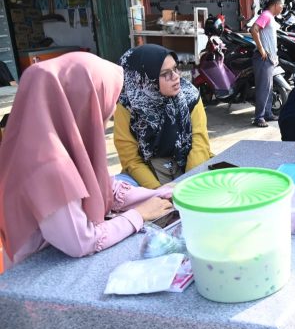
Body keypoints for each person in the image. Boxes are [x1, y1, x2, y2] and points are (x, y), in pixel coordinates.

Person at [0, 53, 174, 268]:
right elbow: (81, 241)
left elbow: (102, 187)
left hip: (56, 261)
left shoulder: (48, 139)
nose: (107, 116)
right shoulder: (46, 164)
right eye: (102, 104)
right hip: (38, 277)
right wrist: (138, 215)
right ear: (80, 103)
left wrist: (158, 194)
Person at [114, 44, 211, 189]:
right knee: (117, 188)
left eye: (175, 68)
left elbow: (199, 144)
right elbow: (131, 160)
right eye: (165, 73)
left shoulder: (190, 97)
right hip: (149, 171)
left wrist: (189, 187)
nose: (176, 77)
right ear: (144, 79)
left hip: (189, 167)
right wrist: (158, 192)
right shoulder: (127, 105)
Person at [250, 0, 285, 127]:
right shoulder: (266, 15)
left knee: (269, 88)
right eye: (281, 5)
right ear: (275, 4)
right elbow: (254, 29)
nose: (282, 8)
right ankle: (259, 118)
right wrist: (261, 49)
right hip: (263, 58)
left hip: (270, 59)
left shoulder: (270, 17)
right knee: (263, 88)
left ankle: (268, 114)